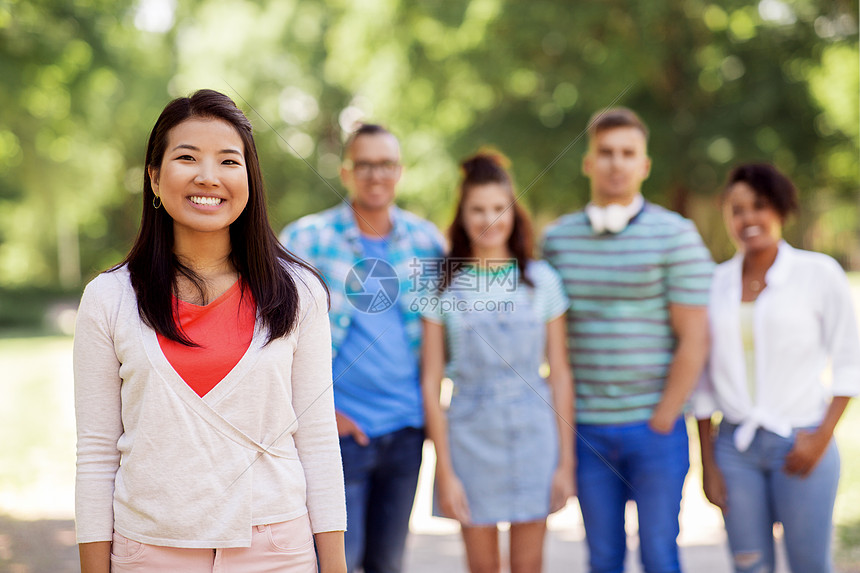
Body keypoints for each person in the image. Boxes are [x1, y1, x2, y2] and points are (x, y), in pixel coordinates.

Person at [73, 89, 346, 573]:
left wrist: (336, 565)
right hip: (150, 553)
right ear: (155, 178)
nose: (208, 176)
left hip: (277, 551)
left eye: (228, 160)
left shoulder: (300, 292)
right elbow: (96, 455)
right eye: (187, 157)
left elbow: (318, 441)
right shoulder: (109, 298)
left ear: (249, 179)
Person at [542, 107, 713, 573]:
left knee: (660, 554)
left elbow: (695, 340)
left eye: (627, 154)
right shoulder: (558, 240)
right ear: (588, 163)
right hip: (588, 433)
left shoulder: (676, 236)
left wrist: (660, 419)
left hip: (654, 430)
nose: (616, 163)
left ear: (644, 165)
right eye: (605, 153)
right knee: (603, 558)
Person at [279, 124, 445, 573]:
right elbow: (272, 341)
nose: (377, 175)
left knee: (387, 564)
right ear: (347, 171)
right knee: (335, 564)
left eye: (386, 164)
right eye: (366, 164)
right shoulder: (305, 239)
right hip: (337, 434)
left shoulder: (428, 242)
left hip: (406, 433)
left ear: (400, 171)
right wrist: (318, 415)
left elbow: (441, 337)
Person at [693, 163, 860, 573]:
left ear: (781, 209)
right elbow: (702, 379)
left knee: (809, 565)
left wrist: (822, 437)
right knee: (749, 566)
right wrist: (709, 463)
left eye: (760, 206)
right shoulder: (714, 284)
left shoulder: (817, 273)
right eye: (737, 210)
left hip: (801, 439)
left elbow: (850, 357)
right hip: (735, 449)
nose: (748, 218)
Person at [420, 151, 575, 573]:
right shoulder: (443, 286)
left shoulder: (542, 282)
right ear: (462, 216)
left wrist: (566, 462)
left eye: (498, 208)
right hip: (469, 437)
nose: (489, 219)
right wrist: (446, 473)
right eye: (477, 210)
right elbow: (431, 384)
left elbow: (559, 374)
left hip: (535, 435)